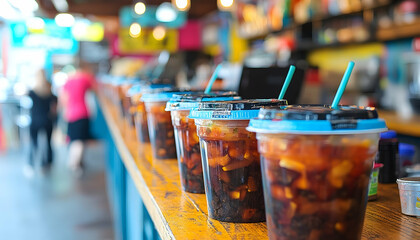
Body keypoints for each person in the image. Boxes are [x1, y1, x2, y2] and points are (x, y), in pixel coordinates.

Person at [60, 65, 95, 174]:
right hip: (83, 113)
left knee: (75, 139)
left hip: (70, 114)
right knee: (80, 140)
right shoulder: (86, 78)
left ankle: (78, 162)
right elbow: (96, 91)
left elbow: (63, 98)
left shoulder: (68, 81)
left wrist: (64, 112)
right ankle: (74, 163)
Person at [25, 69, 57, 176]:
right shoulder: (50, 91)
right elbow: (55, 106)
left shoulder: (32, 92)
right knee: (48, 143)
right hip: (47, 120)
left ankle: (31, 164)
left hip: (35, 121)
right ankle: (47, 164)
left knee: (34, 143)